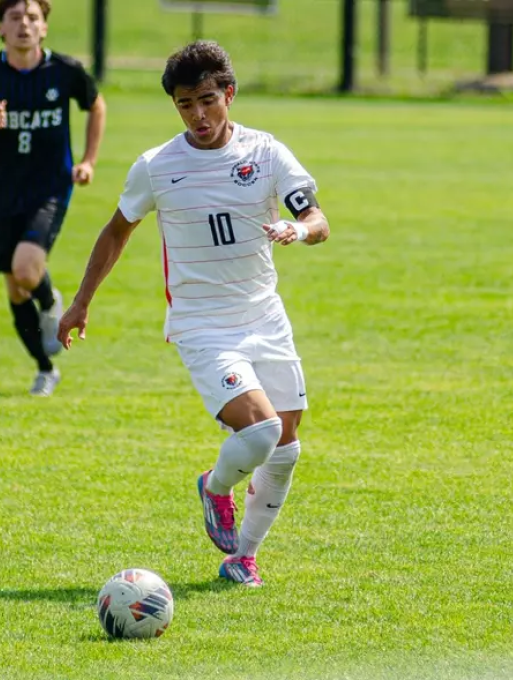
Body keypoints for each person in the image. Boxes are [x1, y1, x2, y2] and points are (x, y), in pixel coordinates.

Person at [58, 41, 330, 586]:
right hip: (202, 324)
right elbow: (116, 231)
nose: (199, 115)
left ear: (228, 94)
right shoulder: (157, 167)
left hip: (264, 316)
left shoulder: (268, 152)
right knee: (259, 432)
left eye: (208, 100)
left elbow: (318, 220)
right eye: (186, 105)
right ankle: (215, 487)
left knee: (286, 448)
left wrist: (295, 230)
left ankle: (243, 558)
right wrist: (81, 300)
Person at [0, 0, 107, 397]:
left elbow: (96, 105)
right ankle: (45, 367)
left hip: (51, 188)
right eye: (15, 18)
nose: (24, 25)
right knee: (16, 289)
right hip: (3, 192)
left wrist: (88, 161)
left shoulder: (65, 71)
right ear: (0, 28)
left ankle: (50, 299)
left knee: (25, 270)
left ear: (44, 28)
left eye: (32, 18)